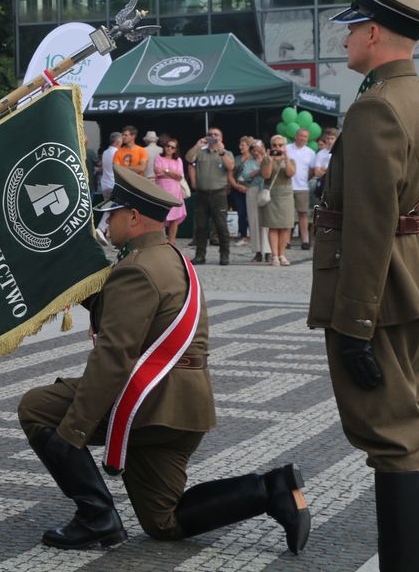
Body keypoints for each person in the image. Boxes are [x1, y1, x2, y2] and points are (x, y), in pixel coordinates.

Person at [17, 168, 311, 553]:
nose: (108, 220)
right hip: (184, 410)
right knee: (164, 521)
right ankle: (271, 490)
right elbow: (134, 315)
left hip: (150, 403)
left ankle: (96, 518)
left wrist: (73, 430)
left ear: (134, 217)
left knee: (37, 408)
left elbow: (114, 356)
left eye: (114, 213)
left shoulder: (137, 268)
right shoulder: (169, 257)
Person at [309, 0, 419, 571]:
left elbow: (368, 225)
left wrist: (355, 322)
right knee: (417, 438)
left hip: (382, 299)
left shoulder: (377, 110)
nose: (344, 43)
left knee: (393, 444)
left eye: (350, 31)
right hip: (415, 287)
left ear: (373, 32)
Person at [184, 127, 235, 265]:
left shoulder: (226, 153)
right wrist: (197, 146)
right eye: (210, 134)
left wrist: (222, 151)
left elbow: (231, 167)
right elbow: (188, 158)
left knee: (221, 226)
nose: (212, 136)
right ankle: (200, 255)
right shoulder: (200, 152)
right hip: (202, 194)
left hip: (218, 194)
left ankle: (224, 255)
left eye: (216, 135)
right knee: (201, 226)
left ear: (221, 138)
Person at [260, 134, 295, 266]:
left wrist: (285, 158)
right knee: (273, 227)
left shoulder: (290, 159)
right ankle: (274, 255)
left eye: (281, 145)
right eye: (275, 145)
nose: (278, 147)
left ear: (285, 146)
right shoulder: (266, 159)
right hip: (272, 194)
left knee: (286, 226)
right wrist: (270, 160)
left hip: (286, 194)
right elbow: (266, 175)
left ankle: (282, 255)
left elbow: (290, 173)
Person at [152, 137, 186, 244]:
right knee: (160, 217)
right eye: (168, 146)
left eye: (172, 147)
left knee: (174, 218)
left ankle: (171, 241)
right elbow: (157, 171)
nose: (169, 149)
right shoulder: (158, 158)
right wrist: (172, 173)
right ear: (164, 147)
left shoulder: (178, 160)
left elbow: (179, 176)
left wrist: (165, 170)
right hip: (162, 190)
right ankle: (160, 241)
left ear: (175, 150)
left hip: (175, 191)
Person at [287, 128, 316, 250]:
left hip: (302, 187)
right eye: (301, 136)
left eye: (305, 137)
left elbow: (312, 171)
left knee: (303, 214)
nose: (303, 138)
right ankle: (286, 241)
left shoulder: (311, 152)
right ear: (296, 136)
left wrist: (305, 179)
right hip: (287, 186)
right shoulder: (287, 149)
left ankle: (305, 241)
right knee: (287, 215)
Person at [243, 140, 271, 263]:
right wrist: (260, 171)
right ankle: (258, 252)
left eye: (258, 149)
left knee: (268, 222)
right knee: (254, 221)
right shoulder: (249, 162)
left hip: (267, 191)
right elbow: (245, 176)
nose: (256, 151)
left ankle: (269, 251)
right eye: (253, 149)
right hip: (253, 191)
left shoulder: (269, 159)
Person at [229, 135, 253, 244]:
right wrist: (236, 185)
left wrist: (248, 188)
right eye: (240, 145)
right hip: (237, 189)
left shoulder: (254, 158)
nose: (240, 147)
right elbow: (231, 174)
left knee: (251, 213)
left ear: (249, 146)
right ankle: (242, 234)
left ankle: (253, 235)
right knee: (241, 212)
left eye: (243, 145)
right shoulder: (236, 158)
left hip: (251, 189)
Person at [99, 131, 122, 199]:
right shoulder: (117, 153)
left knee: (106, 206)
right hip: (114, 184)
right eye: (121, 141)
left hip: (105, 183)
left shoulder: (105, 152)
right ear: (118, 141)